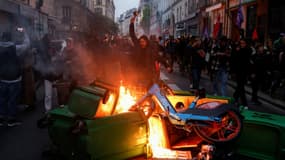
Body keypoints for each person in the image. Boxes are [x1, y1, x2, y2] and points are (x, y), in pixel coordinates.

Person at [129, 13, 171, 88]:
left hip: (148, 73)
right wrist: (131, 23)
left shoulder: (151, 50)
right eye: (140, 42)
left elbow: (159, 58)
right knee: (137, 89)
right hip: (138, 72)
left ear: (146, 42)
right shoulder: (138, 46)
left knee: (148, 89)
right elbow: (132, 34)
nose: (142, 43)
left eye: (143, 42)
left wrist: (167, 66)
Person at [0, 28, 30, 127]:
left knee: (2, 99)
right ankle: (11, 120)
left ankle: (1, 118)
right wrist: (24, 33)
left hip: (2, 78)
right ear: (10, 38)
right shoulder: (15, 48)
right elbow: (26, 44)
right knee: (12, 99)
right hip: (14, 79)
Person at [231, 38, 252, 107]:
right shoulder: (237, 50)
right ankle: (242, 102)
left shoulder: (248, 50)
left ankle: (236, 98)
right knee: (241, 87)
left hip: (244, 72)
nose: (242, 45)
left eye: (243, 43)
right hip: (238, 71)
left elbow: (247, 61)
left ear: (246, 44)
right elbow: (234, 59)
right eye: (241, 43)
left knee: (240, 87)